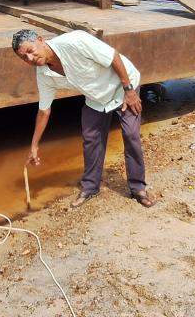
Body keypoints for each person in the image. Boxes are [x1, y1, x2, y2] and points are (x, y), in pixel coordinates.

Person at [11, 29, 154, 208]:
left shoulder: (75, 41)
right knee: (90, 138)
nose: (30, 59)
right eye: (24, 58)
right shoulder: (43, 74)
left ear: (40, 40)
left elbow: (113, 57)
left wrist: (130, 91)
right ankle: (90, 187)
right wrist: (34, 145)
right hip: (96, 97)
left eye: (30, 51)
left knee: (131, 135)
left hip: (122, 86)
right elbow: (44, 111)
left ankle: (138, 188)